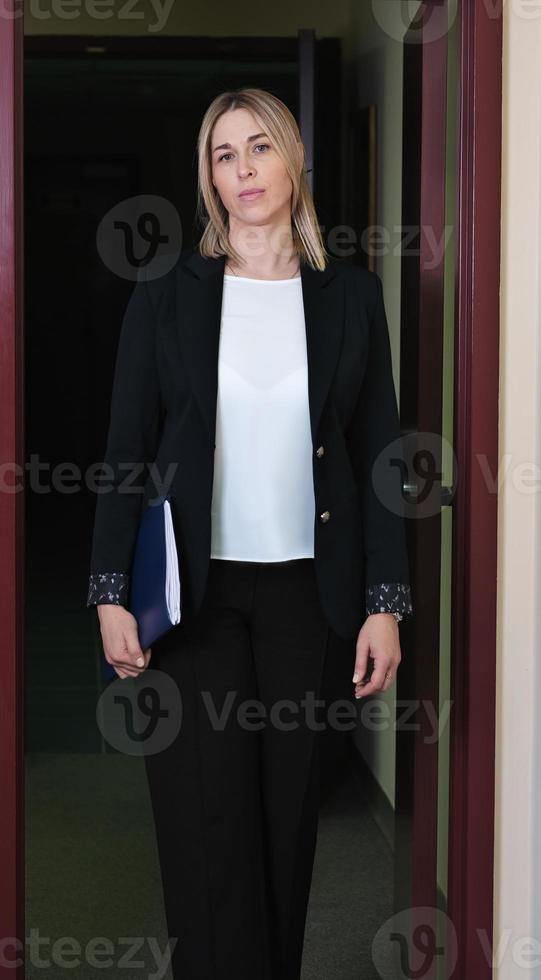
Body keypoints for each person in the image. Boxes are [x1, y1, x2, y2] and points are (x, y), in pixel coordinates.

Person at [86, 87, 413, 980]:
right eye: (223, 155)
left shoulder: (350, 297)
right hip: (195, 598)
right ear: (209, 177)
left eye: (257, 148)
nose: (242, 170)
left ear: (291, 160)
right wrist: (109, 591)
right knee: (204, 824)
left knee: (284, 821)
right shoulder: (166, 297)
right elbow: (125, 451)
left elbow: (378, 454)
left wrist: (384, 603)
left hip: (309, 598)